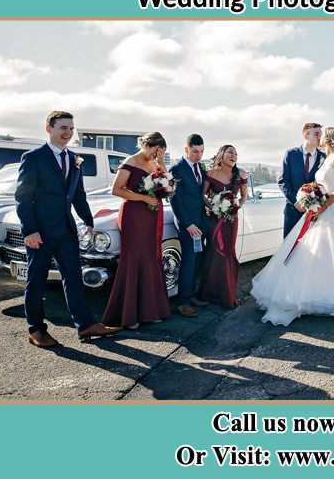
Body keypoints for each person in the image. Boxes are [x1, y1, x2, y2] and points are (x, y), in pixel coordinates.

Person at [251, 127, 334, 326]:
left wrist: (324, 206)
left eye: (322, 135)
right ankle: (313, 294)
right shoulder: (326, 158)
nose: (319, 138)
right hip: (319, 208)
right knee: (314, 251)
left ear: (328, 139)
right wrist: (310, 197)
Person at [14, 110, 120, 347]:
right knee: (37, 281)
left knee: (73, 278)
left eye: (71, 128)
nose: (68, 133)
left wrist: (89, 222)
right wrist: (29, 230)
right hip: (39, 233)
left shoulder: (74, 158)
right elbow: (22, 197)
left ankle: (85, 325)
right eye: (63, 128)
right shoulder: (33, 157)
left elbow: (78, 195)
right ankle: (36, 330)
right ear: (49, 128)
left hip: (67, 231)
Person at [102, 132, 172, 329]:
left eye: (160, 151)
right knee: (134, 258)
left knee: (151, 258)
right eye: (154, 150)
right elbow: (116, 190)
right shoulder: (131, 161)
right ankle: (129, 314)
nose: (155, 154)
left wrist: (161, 163)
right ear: (146, 144)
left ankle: (151, 311)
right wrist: (144, 198)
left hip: (152, 216)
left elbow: (168, 189)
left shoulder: (155, 164)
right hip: (134, 215)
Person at [199, 145, 249, 309]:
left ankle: (227, 294)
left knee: (228, 252)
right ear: (221, 154)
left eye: (235, 153)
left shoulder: (240, 174)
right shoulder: (211, 173)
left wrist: (235, 207)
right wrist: (215, 207)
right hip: (215, 219)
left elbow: (243, 197)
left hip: (231, 220)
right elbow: (203, 196)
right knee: (214, 252)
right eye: (230, 152)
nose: (234, 155)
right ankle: (209, 293)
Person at [169, 134, 209, 317]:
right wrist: (188, 224)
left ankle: (191, 295)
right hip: (188, 225)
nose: (198, 155)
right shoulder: (176, 169)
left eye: (201, 151)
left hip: (201, 222)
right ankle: (183, 302)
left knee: (198, 261)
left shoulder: (200, 167)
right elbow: (175, 200)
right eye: (194, 151)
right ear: (186, 149)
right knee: (188, 262)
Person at [278, 123, 327, 238]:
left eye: (321, 134)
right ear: (306, 135)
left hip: (315, 213)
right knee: (289, 250)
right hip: (292, 211)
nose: (320, 137)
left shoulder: (324, 157)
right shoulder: (290, 154)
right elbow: (283, 181)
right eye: (317, 133)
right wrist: (296, 202)